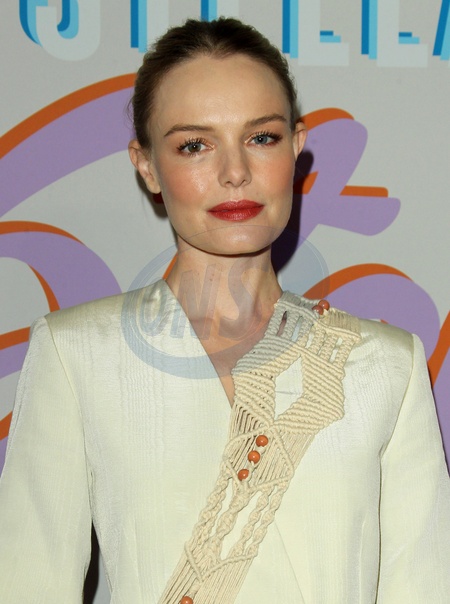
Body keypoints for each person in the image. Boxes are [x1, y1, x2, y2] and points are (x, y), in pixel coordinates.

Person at [0, 17, 449, 604]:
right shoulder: (77, 353)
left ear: (296, 146)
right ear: (145, 165)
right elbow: (29, 586)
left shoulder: (387, 366)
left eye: (261, 138)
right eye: (195, 145)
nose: (235, 172)